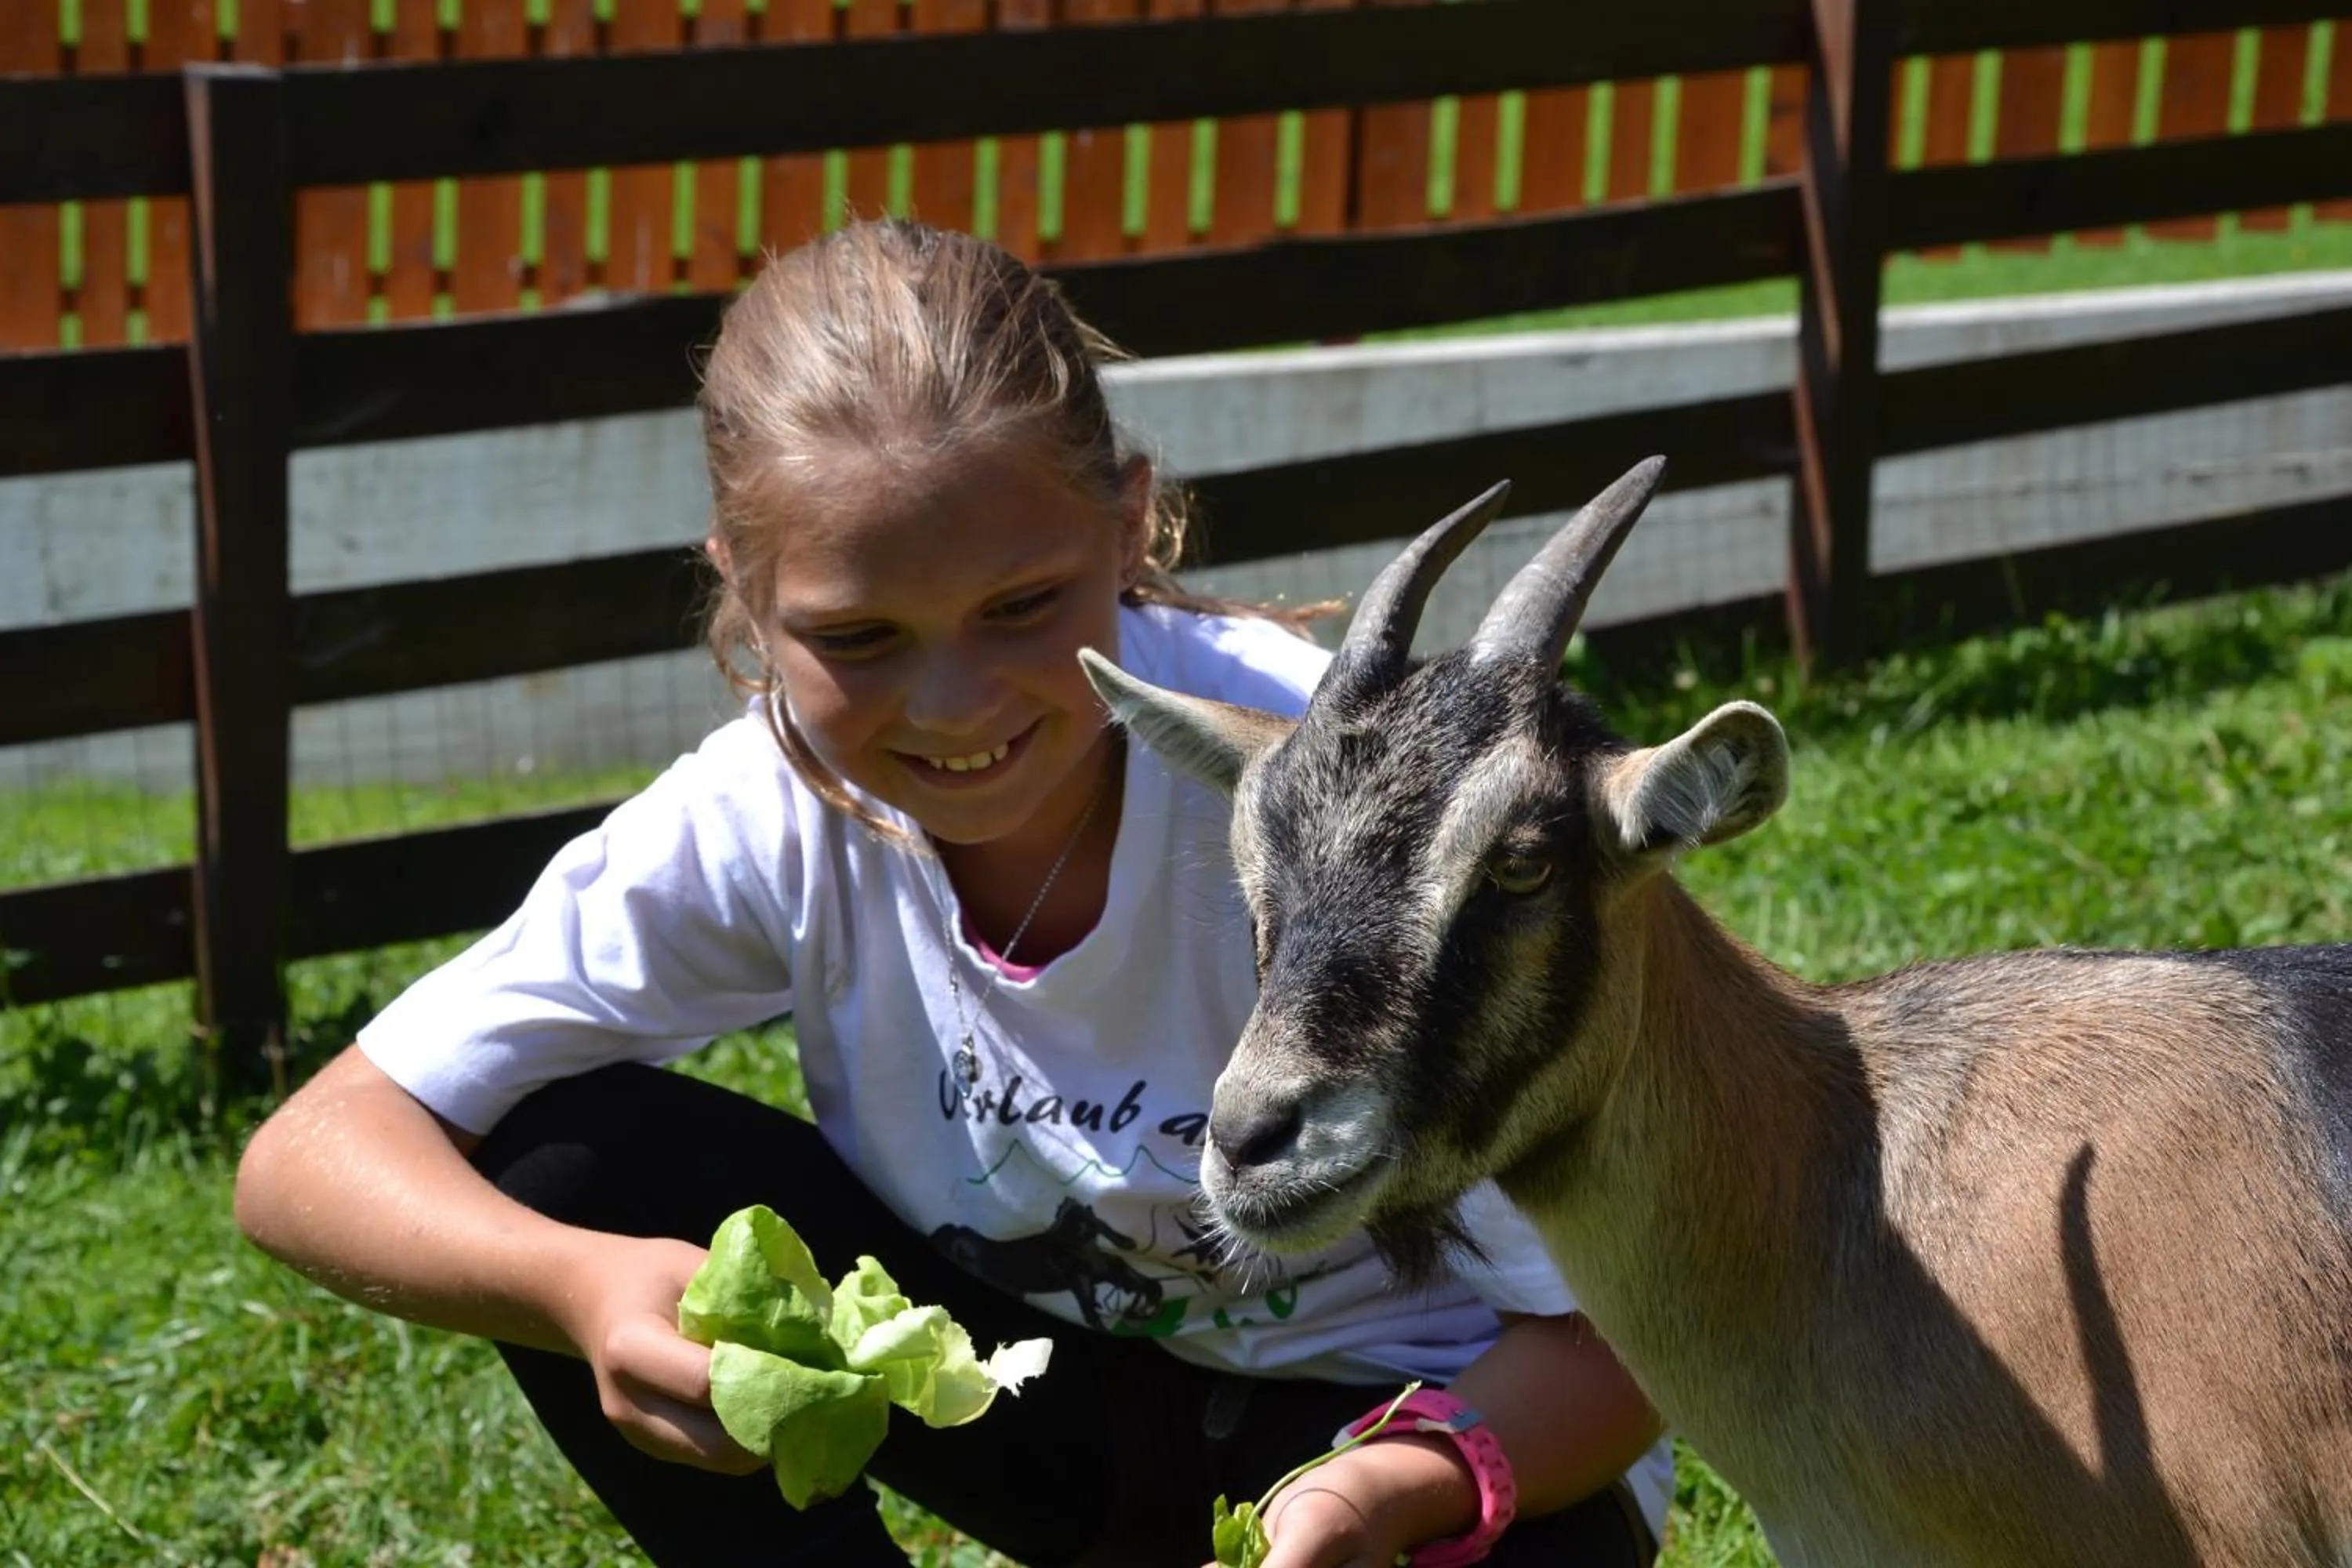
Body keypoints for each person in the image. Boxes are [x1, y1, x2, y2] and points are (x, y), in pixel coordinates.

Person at [233, 219, 1672, 1568]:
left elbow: (1632, 1331)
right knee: (571, 1169)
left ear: (1128, 525)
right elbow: (311, 1155)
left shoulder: (1344, 802)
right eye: (858, 636)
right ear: (745, 592)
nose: (954, 706)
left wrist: (1380, 1486)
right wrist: (577, 1288)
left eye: (1021, 606)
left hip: (1446, 1444)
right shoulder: (768, 811)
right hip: (1073, 1417)